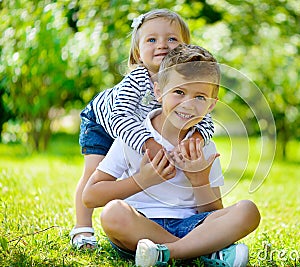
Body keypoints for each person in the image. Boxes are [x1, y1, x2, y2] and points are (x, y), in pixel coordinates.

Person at [82, 44, 261, 267]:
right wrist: (142, 181)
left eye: (200, 97)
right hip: (140, 225)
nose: (188, 104)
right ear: (158, 92)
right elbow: (90, 196)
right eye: (179, 92)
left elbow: (213, 213)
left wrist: (200, 181)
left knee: (248, 211)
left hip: (191, 224)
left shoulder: (203, 146)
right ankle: (202, 252)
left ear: (212, 104)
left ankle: (166, 252)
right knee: (112, 213)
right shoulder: (134, 138)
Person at [70, 9, 215, 249]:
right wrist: (150, 143)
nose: (162, 45)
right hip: (103, 121)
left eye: (172, 39)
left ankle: (156, 231)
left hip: (136, 127)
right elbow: (121, 117)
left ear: (185, 48)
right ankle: (82, 228)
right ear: (138, 52)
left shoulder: (184, 80)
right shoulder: (138, 78)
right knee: (93, 172)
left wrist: (196, 137)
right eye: (151, 40)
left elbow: (205, 119)